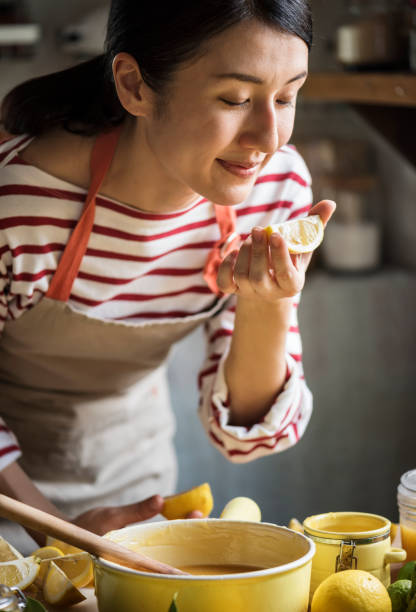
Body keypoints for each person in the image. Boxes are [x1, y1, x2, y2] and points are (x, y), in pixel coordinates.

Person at [0, 0, 335, 545]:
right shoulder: (23, 204)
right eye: (235, 98)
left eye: (287, 96)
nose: (267, 138)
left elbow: (244, 438)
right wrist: (55, 532)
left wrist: (265, 301)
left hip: (134, 480)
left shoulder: (273, 191)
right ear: (134, 86)